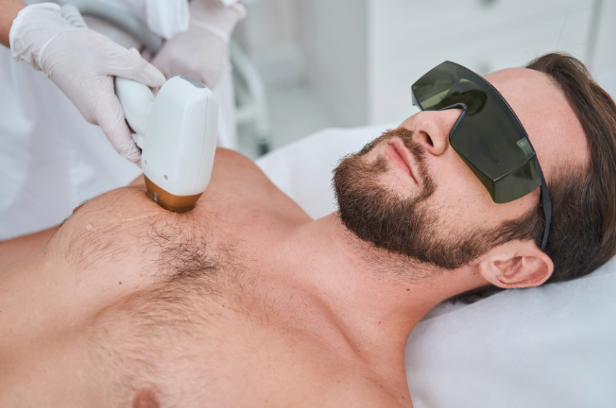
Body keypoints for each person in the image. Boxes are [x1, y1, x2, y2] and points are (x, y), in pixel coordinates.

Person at [1, 53, 615, 406]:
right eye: (461, 96)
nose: (436, 124)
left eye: (492, 144)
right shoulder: (223, 177)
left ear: (511, 264)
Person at [0, 0, 245, 240]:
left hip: (191, 45)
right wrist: (31, 31)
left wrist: (213, 14)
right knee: (56, 239)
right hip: (51, 57)